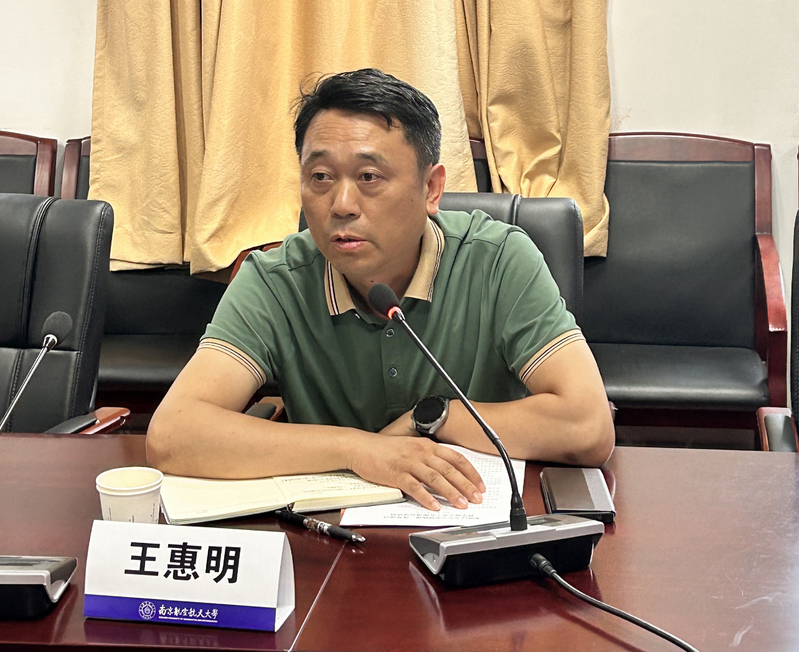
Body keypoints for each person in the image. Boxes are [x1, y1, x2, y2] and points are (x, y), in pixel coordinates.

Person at [146, 68, 614, 512]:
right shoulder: (275, 280)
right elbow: (173, 435)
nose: (342, 204)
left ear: (431, 189)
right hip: (332, 534)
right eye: (320, 177)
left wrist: (436, 417)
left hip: (470, 519)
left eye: (369, 177)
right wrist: (360, 450)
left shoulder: (498, 259)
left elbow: (588, 426)